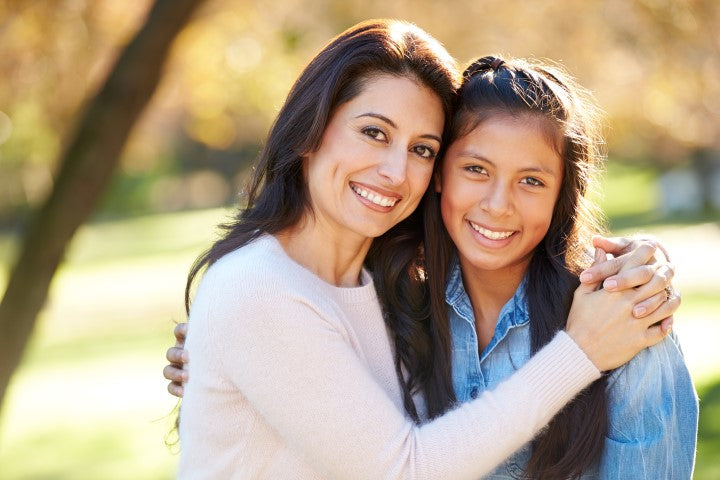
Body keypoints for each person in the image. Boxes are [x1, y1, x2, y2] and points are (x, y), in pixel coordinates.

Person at [171, 20, 680, 479]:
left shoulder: (389, 291)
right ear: (311, 128)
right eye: (373, 132)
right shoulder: (259, 289)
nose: (395, 172)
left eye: (421, 149)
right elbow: (405, 470)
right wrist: (581, 351)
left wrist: (639, 260)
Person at [420, 55, 698, 478]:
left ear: (561, 194)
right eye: (476, 169)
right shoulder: (394, 306)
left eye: (531, 181)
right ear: (439, 173)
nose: (497, 205)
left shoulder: (627, 315)